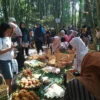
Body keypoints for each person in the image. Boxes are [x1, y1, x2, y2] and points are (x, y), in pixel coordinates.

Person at [0, 22, 16, 94]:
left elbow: (10, 47)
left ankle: (10, 90)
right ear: (3, 30)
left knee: (11, 76)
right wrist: (10, 49)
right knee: (8, 77)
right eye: (8, 31)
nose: (9, 33)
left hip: (10, 59)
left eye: (10, 31)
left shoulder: (8, 37)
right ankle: (9, 93)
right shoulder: (0, 39)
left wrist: (13, 51)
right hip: (4, 61)